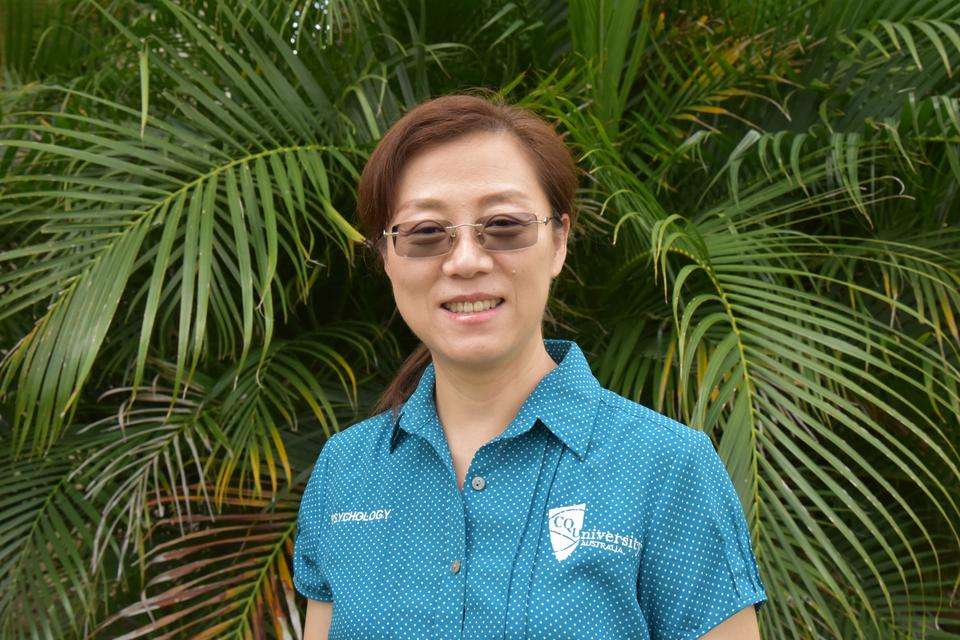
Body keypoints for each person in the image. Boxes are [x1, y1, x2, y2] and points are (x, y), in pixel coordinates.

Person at [293, 92, 768, 639]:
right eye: (425, 233)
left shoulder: (665, 469)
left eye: (504, 226)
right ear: (386, 257)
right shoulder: (346, 473)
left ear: (559, 241)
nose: (466, 261)